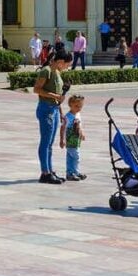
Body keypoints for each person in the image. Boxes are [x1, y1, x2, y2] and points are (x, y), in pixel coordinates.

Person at [33, 48, 72, 184]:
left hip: (54, 109)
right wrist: (55, 96)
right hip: (46, 109)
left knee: (50, 143)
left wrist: (60, 112)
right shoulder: (46, 71)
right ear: (60, 61)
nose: (67, 67)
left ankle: (49, 170)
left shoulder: (57, 72)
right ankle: (45, 173)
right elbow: (36, 89)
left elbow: (59, 96)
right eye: (67, 64)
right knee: (45, 142)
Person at [60, 92, 86, 181]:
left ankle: (74, 172)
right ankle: (71, 173)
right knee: (75, 156)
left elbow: (79, 125)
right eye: (76, 106)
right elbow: (63, 128)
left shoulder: (77, 115)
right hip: (70, 140)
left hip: (76, 140)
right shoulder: (68, 117)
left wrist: (82, 133)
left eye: (80, 106)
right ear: (70, 105)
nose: (79, 108)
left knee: (72, 157)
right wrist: (62, 140)